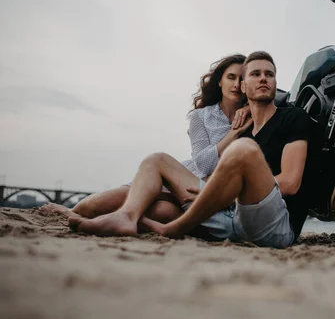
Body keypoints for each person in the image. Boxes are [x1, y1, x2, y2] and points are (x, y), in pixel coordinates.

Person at [69, 51, 314, 248]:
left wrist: (220, 195)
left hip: (273, 226)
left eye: (269, 74)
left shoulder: (292, 118)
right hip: (231, 220)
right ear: (243, 85)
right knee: (157, 161)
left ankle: (173, 228)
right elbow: (209, 167)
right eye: (256, 74)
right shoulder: (243, 126)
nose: (263, 78)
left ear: (276, 82)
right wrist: (217, 195)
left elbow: (291, 183)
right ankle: (127, 217)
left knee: (243, 150)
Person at [40, 54, 253, 238]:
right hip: (179, 179)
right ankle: (69, 212)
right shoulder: (201, 116)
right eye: (231, 77)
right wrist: (234, 133)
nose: (236, 84)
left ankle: (119, 221)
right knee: (93, 206)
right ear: (219, 82)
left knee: (163, 213)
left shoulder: (256, 115)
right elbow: (203, 164)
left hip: (203, 194)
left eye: (242, 79)